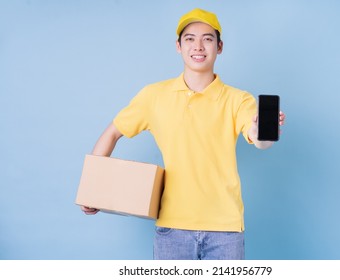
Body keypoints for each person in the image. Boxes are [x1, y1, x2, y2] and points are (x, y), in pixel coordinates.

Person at [80, 8, 285, 260]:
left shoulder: (238, 99)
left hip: (225, 230)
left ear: (219, 47)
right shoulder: (154, 96)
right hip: (172, 228)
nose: (198, 46)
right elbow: (112, 133)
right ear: (178, 46)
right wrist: (91, 189)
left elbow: (259, 139)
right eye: (190, 38)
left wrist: (266, 130)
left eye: (207, 39)